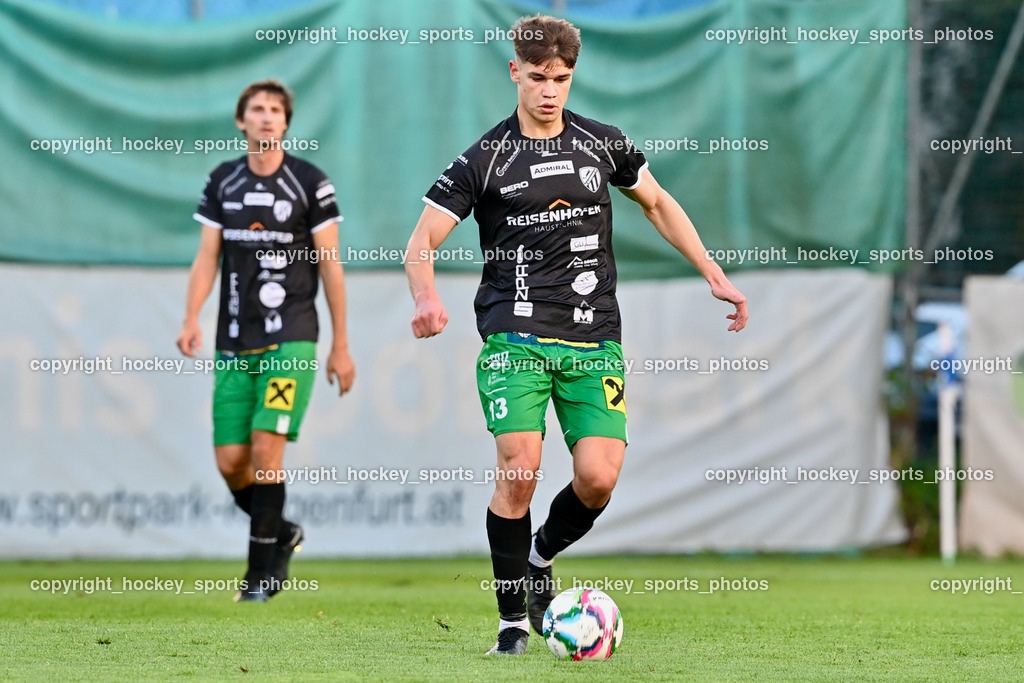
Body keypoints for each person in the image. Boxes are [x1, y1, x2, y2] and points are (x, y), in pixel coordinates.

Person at [404, 14, 748, 654]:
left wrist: (713, 272)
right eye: (537, 77)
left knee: (598, 478)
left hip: (595, 340)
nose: (549, 90)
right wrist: (425, 297)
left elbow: (658, 203)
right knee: (520, 469)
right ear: (515, 73)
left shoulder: (601, 143)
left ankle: (538, 560)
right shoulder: (486, 158)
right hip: (515, 338)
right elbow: (420, 241)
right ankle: (511, 625)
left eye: (561, 78)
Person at [176, 79, 355, 602]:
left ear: (286, 122)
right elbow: (208, 256)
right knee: (230, 460)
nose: (267, 117)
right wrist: (191, 317)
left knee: (265, 451)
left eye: (277, 110)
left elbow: (331, 267)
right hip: (233, 342)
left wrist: (340, 344)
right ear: (241, 121)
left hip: (291, 341)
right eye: (257, 109)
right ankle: (282, 531)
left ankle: (259, 579)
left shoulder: (309, 182)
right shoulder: (223, 182)